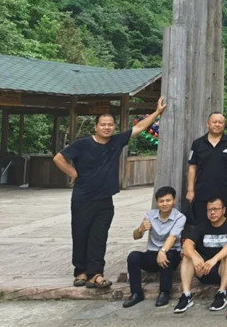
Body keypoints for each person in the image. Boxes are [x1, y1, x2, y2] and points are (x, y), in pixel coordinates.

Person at [53, 96, 167, 289]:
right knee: (80, 234)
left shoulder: (117, 141)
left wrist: (157, 112)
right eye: (103, 124)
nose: (107, 127)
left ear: (114, 127)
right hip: (82, 198)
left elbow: (139, 128)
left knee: (99, 237)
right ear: (96, 127)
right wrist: (73, 173)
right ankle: (81, 272)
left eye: (110, 125)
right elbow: (58, 158)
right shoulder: (82, 144)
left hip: (105, 200)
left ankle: (96, 273)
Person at [173, 196, 227, 314]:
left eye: (216, 209)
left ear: (224, 210)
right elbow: (187, 244)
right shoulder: (201, 226)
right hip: (203, 269)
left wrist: (214, 260)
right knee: (188, 255)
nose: (212, 212)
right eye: (210, 210)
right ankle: (186, 295)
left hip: (223, 270)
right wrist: (195, 258)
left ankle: (222, 293)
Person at [123, 186, 186, 308]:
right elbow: (136, 236)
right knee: (133, 256)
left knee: (168, 255)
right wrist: (140, 229)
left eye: (168, 200)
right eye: (161, 201)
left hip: (171, 253)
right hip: (152, 253)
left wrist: (162, 251)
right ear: (157, 203)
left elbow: (173, 237)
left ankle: (164, 292)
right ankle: (136, 293)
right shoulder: (150, 215)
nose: (165, 204)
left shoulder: (180, 217)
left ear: (173, 201)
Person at [187, 112, 227, 223]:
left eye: (220, 122)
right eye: (214, 122)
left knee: (222, 221)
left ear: (224, 124)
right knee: (201, 221)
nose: (217, 124)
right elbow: (192, 168)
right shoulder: (198, 143)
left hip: (223, 189)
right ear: (208, 123)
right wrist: (190, 190)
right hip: (202, 189)